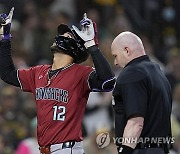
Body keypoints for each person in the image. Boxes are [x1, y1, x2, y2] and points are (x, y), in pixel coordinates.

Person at [0, 8, 115, 154]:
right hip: (44, 150)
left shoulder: (80, 73)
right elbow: (7, 74)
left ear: (75, 47)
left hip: (67, 149)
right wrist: (5, 38)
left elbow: (108, 81)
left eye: (66, 35)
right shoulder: (39, 72)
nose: (59, 36)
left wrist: (91, 46)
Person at [111, 31, 172, 154]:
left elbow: (136, 123)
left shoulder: (131, 73)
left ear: (127, 51)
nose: (115, 63)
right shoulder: (158, 73)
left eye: (115, 56)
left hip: (141, 150)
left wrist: (125, 151)